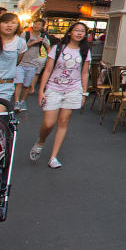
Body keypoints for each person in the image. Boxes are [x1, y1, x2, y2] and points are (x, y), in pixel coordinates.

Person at [29, 22, 92, 168]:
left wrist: (84, 93)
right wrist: (41, 90)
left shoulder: (85, 51)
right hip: (54, 88)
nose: (79, 33)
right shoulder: (58, 48)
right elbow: (48, 69)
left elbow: (84, 73)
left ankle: (53, 157)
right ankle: (41, 141)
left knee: (63, 122)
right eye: (76, 30)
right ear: (70, 32)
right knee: (49, 123)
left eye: (82, 31)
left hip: (73, 89)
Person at [14, 20, 50, 111]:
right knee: (18, 83)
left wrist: (50, 59)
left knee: (26, 85)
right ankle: (16, 102)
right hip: (21, 63)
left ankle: (22, 101)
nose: (37, 26)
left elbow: (48, 47)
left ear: (42, 27)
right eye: (35, 24)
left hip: (33, 63)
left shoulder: (43, 37)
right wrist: (34, 42)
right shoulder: (25, 35)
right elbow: (21, 47)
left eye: (39, 24)